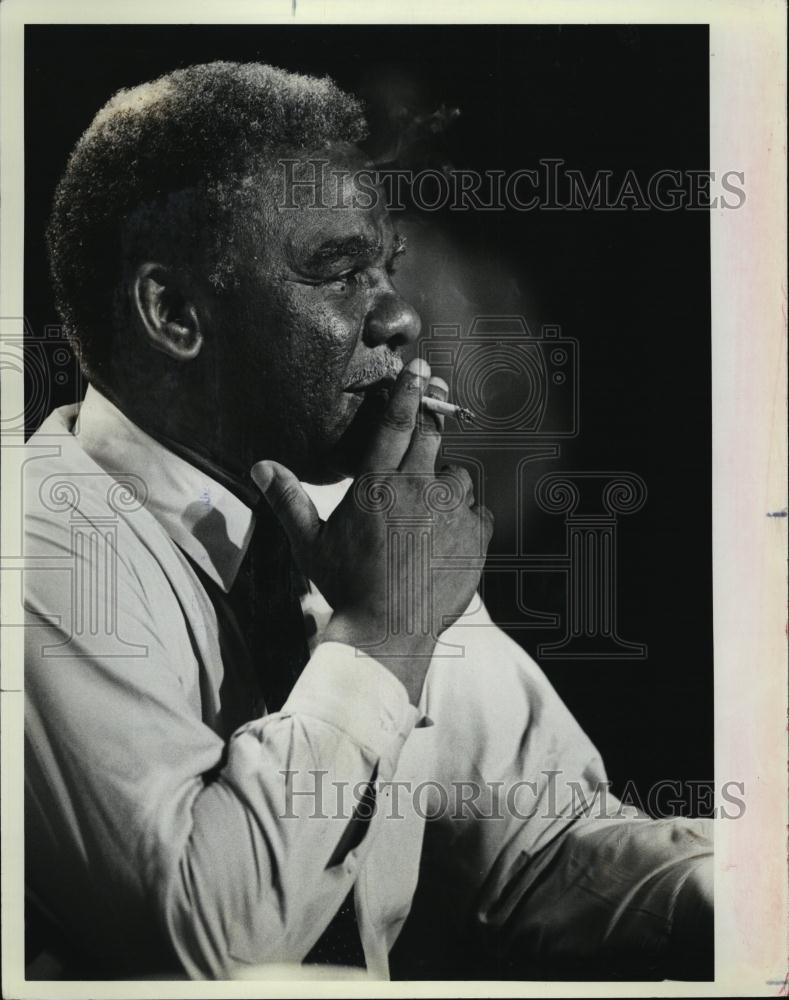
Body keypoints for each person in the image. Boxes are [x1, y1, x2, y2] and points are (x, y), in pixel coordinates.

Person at [24, 61, 712, 981]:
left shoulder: (355, 515)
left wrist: (750, 895)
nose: (401, 317)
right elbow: (211, 950)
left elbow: (543, 850)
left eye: (388, 269)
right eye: (340, 273)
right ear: (175, 313)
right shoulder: (40, 544)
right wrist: (381, 635)